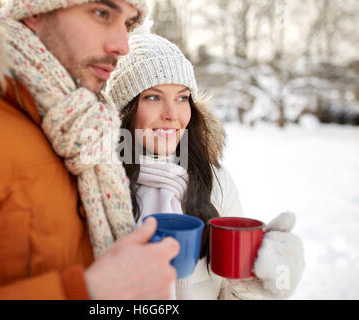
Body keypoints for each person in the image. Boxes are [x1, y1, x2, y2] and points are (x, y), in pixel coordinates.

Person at [0, 0, 180, 300]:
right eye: (102, 13)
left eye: (128, 24)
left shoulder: (84, 126)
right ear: (33, 11)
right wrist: (83, 292)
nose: (122, 45)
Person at [105, 24, 305, 300]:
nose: (172, 114)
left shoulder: (213, 180)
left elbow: (229, 291)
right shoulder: (97, 187)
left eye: (182, 98)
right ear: (122, 110)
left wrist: (262, 279)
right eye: (153, 97)